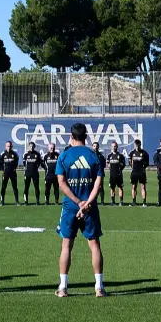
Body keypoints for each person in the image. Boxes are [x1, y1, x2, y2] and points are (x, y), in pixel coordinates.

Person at [54, 123, 108, 298]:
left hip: (70, 207)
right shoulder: (94, 156)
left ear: (71, 135)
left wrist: (78, 203)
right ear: (86, 136)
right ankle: (99, 287)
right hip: (90, 207)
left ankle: (63, 287)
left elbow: (61, 183)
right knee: (94, 245)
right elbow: (98, 185)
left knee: (66, 245)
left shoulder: (64, 156)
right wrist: (86, 204)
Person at [128, 139, 149, 206]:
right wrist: (133, 168)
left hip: (142, 172)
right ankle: (134, 202)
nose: (137, 146)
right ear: (134, 145)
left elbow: (147, 163)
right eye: (135, 145)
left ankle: (144, 202)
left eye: (138, 145)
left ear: (140, 145)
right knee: (134, 187)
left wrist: (143, 168)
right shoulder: (132, 153)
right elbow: (130, 162)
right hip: (134, 172)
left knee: (143, 187)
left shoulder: (144, 153)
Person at [0, 141, 20, 206]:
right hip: (5, 173)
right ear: (5, 147)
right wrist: (3, 170)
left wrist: (14, 168)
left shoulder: (15, 154)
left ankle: (17, 201)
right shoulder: (3, 154)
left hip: (13, 173)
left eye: (10, 146)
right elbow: (0, 163)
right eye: (7, 146)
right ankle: (2, 201)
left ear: (12, 146)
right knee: (3, 187)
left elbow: (16, 162)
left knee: (15, 187)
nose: (9, 147)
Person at [106, 142, 125, 206]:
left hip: (119, 175)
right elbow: (107, 164)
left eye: (115, 146)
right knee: (112, 188)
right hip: (112, 175)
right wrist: (110, 168)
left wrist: (119, 169)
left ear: (117, 147)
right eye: (112, 146)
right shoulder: (109, 156)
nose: (114, 148)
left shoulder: (121, 156)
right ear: (111, 147)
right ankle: (113, 201)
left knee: (120, 187)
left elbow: (123, 164)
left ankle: (121, 201)